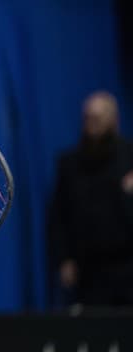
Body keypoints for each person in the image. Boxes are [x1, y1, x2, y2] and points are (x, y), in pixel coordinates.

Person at [47, 90, 133, 308]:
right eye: (87, 118)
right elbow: (58, 217)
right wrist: (64, 260)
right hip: (88, 272)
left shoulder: (130, 157)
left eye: (97, 118)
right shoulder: (69, 164)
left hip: (127, 267)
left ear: (113, 120)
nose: (91, 123)